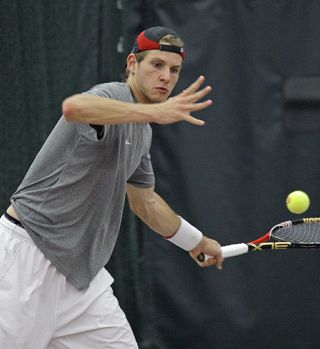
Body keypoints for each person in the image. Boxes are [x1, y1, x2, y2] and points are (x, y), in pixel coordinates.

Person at [0, 26, 223, 348]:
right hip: (28, 256)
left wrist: (195, 241)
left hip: (81, 278)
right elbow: (75, 108)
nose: (166, 77)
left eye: (174, 70)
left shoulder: (142, 131)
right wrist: (154, 111)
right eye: (156, 65)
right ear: (133, 64)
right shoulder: (113, 96)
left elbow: (145, 201)